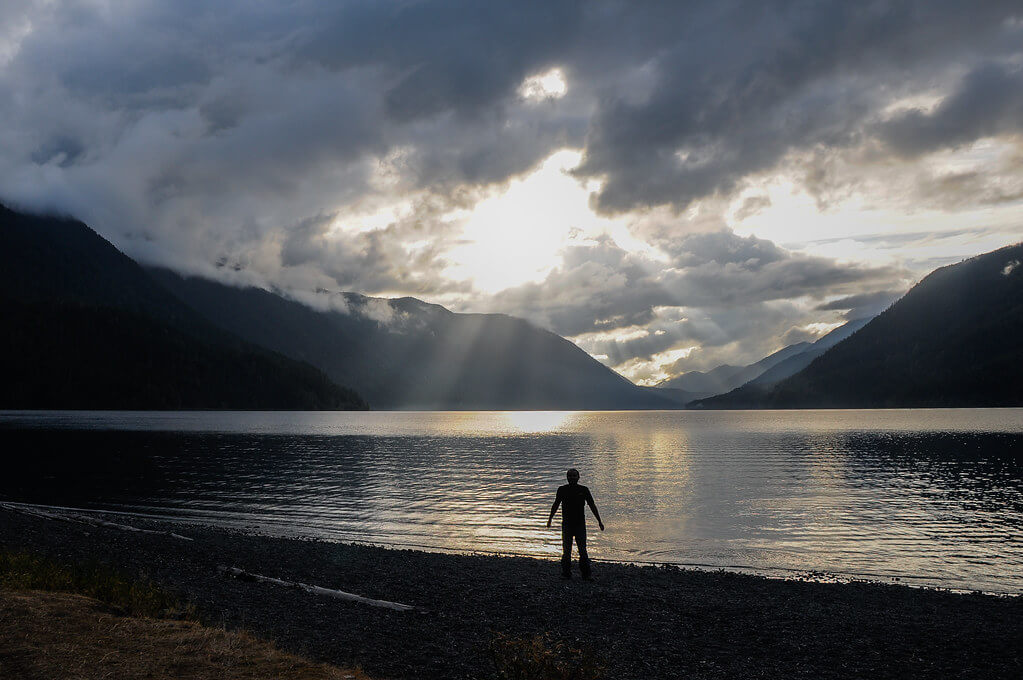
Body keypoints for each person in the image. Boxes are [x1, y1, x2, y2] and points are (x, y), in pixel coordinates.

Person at [547, 468, 604, 580]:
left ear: (578, 477)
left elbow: (592, 506)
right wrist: (550, 519)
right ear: (567, 477)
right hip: (567, 525)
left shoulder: (584, 490)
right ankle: (566, 573)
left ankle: (586, 574)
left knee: (582, 550)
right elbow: (555, 505)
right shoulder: (562, 490)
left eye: (574, 476)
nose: (572, 477)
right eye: (570, 476)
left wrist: (599, 521)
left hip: (580, 525)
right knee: (566, 550)